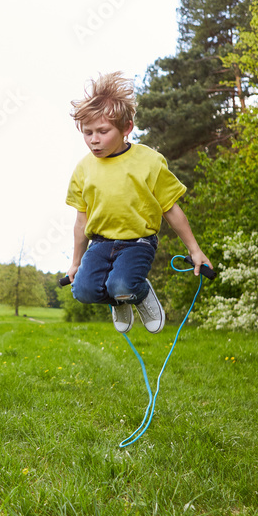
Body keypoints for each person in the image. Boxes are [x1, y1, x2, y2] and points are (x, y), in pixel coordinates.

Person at [65, 71, 211, 334]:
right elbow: (81, 221)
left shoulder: (149, 161)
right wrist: (75, 261)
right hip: (99, 243)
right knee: (83, 291)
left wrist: (194, 249)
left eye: (102, 131)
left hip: (137, 242)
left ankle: (137, 294)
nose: (94, 140)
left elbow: (171, 209)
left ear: (126, 128)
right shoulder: (83, 168)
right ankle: (120, 300)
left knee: (121, 285)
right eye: (87, 133)